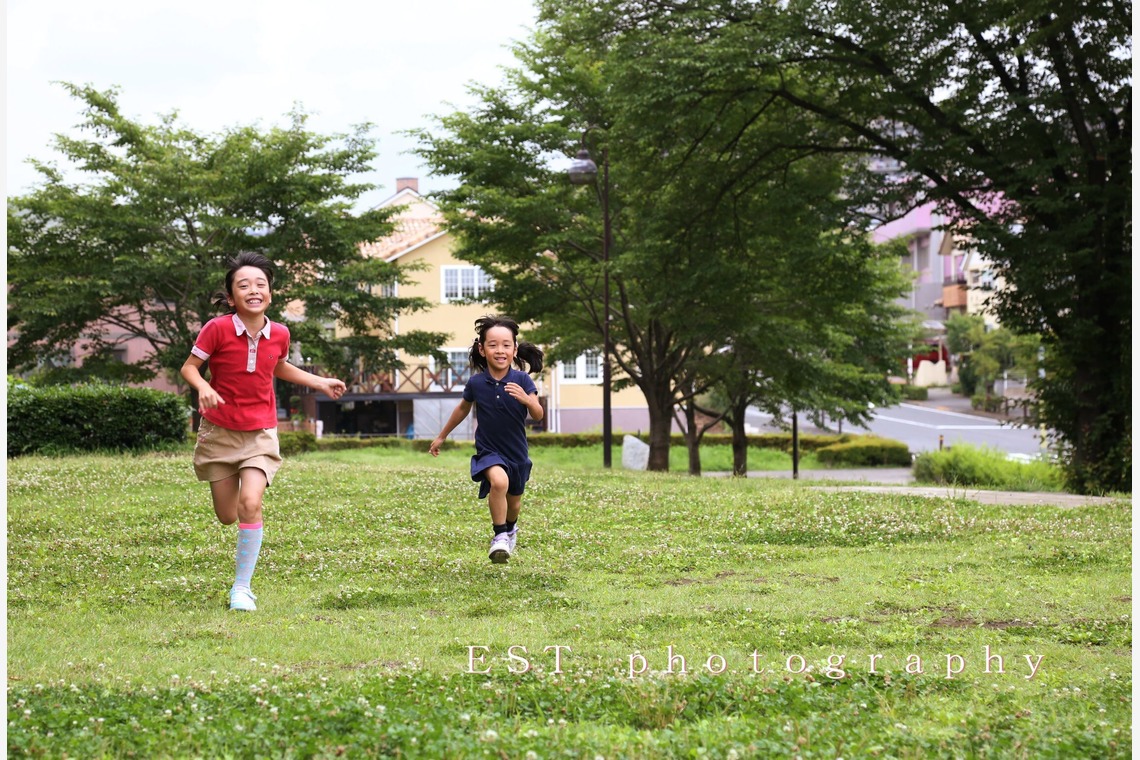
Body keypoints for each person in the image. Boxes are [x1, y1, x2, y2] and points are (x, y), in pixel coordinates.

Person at [180, 252, 346, 611]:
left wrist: (319, 382)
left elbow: (279, 366)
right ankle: (238, 511)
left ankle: (242, 589)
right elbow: (190, 368)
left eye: (260, 284)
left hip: (260, 432)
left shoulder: (280, 333)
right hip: (220, 431)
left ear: (270, 293)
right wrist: (203, 387)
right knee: (227, 515)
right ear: (231, 297)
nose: (253, 290)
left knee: (251, 503)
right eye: (243, 285)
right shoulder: (217, 328)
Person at [429, 316, 544, 563]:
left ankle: (510, 529)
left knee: (514, 503)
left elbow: (537, 414)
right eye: (493, 345)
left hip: (517, 453)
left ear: (514, 350)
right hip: (489, 450)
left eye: (506, 345)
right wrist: (441, 436)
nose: (500, 350)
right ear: (482, 349)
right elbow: (462, 409)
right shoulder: (477, 383)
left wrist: (526, 399)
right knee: (499, 482)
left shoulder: (522, 380)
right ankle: (499, 535)